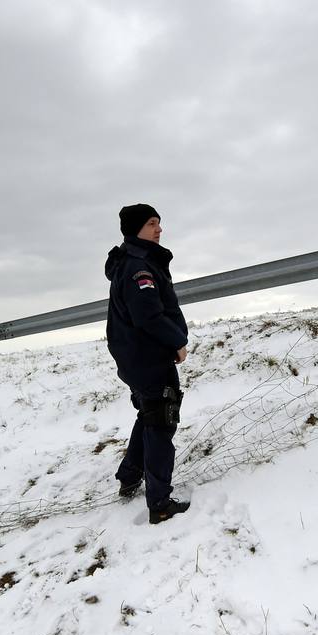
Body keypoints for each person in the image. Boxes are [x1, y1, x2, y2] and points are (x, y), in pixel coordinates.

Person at [104, 203, 192, 524]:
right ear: (136, 229)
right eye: (152, 223)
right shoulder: (139, 267)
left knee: (150, 411)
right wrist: (177, 342)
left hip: (135, 358)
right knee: (161, 420)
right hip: (148, 357)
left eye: (159, 223)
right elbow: (148, 315)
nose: (159, 229)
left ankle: (129, 476)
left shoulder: (134, 262)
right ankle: (160, 503)